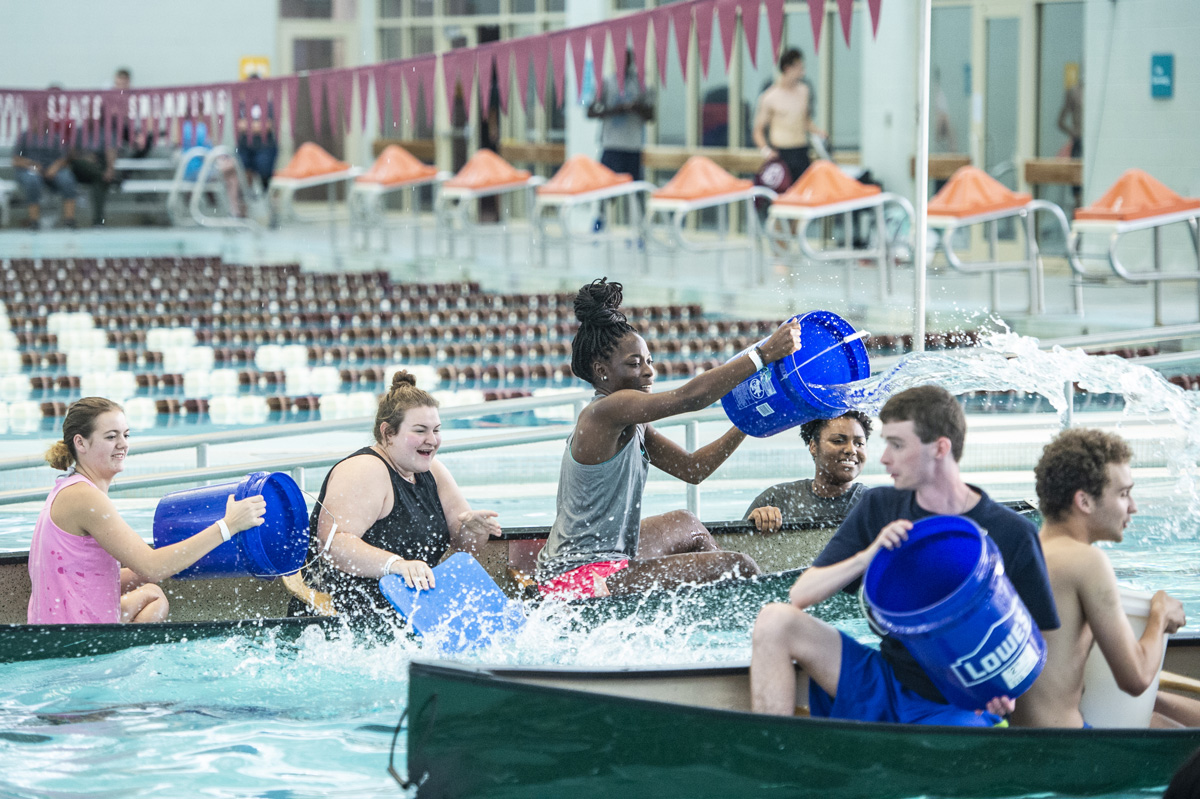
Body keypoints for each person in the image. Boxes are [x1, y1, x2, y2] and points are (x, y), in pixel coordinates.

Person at [749, 384, 1059, 725]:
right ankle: (772, 750)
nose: (883, 458)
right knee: (774, 619)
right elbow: (801, 594)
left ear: (940, 448)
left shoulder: (1013, 534)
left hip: (956, 704)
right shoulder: (880, 506)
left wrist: (1003, 684)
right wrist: (868, 556)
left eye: (897, 445)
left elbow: (1038, 641)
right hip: (882, 679)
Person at [535, 278, 802, 599]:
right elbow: (689, 397)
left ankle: (707, 604)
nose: (649, 372)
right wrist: (762, 354)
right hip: (576, 579)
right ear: (601, 371)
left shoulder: (632, 423)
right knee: (740, 566)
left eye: (649, 361)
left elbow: (694, 469)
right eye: (634, 364)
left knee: (686, 522)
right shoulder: (605, 411)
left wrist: (749, 420)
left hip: (599, 562)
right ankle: (747, 617)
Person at [29, 397, 267, 624]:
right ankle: (118, 658)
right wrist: (229, 525)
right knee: (153, 588)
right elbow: (153, 567)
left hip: (58, 630)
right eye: (111, 436)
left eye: (125, 434)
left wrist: (184, 559)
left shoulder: (69, 489)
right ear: (80, 443)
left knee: (153, 595)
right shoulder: (84, 496)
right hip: (74, 647)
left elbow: (82, 575)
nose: (123, 444)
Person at [1011, 428, 1188, 729]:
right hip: (1066, 748)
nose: (1133, 507)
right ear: (1084, 501)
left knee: (1161, 719)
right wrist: (1160, 615)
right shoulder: (1087, 561)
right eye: (1123, 494)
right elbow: (1136, 678)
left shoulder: (1028, 552)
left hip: (1021, 740)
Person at [292, 370, 502, 617]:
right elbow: (334, 545)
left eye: (436, 430)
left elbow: (465, 546)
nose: (432, 440)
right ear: (388, 433)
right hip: (342, 615)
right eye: (420, 430)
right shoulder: (365, 470)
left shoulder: (433, 471)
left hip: (409, 610)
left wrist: (471, 531)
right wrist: (396, 565)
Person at [743, 411, 872, 532]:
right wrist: (754, 523)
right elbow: (736, 549)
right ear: (813, 447)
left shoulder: (873, 505)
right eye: (838, 441)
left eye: (859, 443)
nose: (852, 450)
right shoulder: (776, 499)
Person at [753, 48, 827, 191]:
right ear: (787, 68)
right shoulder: (770, 97)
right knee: (782, 197)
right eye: (799, 68)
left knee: (804, 194)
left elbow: (805, 121)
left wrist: (818, 132)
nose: (802, 72)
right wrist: (766, 151)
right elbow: (758, 131)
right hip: (782, 153)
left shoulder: (804, 91)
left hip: (801, 151)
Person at [587, 49, 654, 183]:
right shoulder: (607, 83)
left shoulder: (640, 85)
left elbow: (650, 115)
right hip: (611, 146)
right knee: (607, 190)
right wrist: (614, 111)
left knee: (632, 191)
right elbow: (590, 112)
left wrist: (636, 108)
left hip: (633, 146)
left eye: (628, 60)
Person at [12, 121, 79, 229]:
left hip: (53, 169)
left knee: (67, 179)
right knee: (32, 180)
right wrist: (32, 165)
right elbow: (16, 160)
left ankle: (69, 220)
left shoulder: (56, 137)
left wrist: (55, 167)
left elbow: (64, 158)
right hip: (30, 169)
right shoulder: (24, 137)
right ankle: (34, 221)